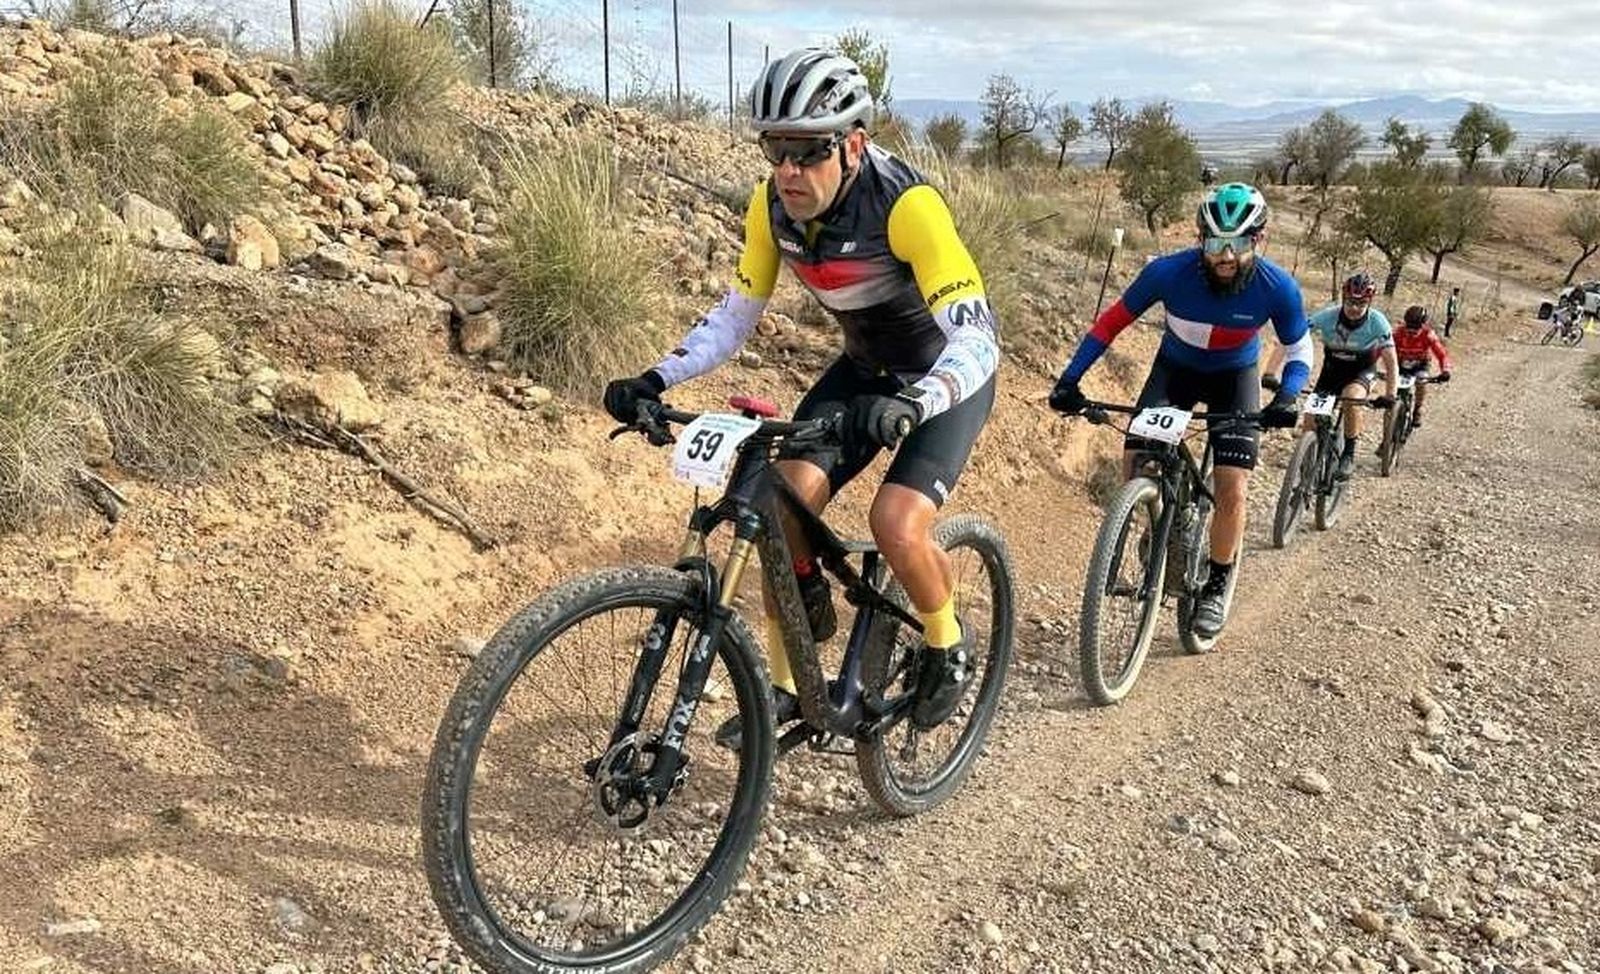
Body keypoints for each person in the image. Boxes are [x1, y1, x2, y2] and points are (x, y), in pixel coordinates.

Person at [602, 48, 1000, 743]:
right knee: (777, 502)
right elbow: (734, 316)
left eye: (807, 150)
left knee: (896, 524)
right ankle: (788, 686)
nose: (787, 169)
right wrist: (655, 378)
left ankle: (947, 640)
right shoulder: (771, 206)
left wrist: (920, 400)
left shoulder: (907, 208)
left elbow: (978, 338)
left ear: (853, 144)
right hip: (866, 371)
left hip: (944, 379)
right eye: (774, 148)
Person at [1049, 182, 1312, 639]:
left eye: (1237, 243)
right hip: (1176, 371)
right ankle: (1154, 518)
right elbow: (1110, 324)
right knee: (1136, 459)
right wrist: (1069, 380)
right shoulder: (1167, 273)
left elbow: (1299, 347)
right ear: (1199, 239)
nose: (1224, 255)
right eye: (1214, 243)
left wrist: (1287, 395)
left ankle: (1216, 583)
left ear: (1259, 239)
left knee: (1232, 488)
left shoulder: (1279, 288)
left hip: (1235, 378)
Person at [1266, 272, 1398, 480]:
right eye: (1350, 302)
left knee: (1351, 397)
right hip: (1332, 372)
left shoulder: (1378, 322)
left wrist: (1391, 394)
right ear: (1344, 298)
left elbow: (1391, 361)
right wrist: (1270, 372)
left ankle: (1348, 455)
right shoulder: (1328, 316)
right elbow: (1291, 338)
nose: (1354, 308)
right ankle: (1309, 464)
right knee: (1310, 417)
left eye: (1361, 304)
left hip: (1362, 371)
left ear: (1369, 302)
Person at [1392, 305, 1452, 427]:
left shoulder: (1428, 335)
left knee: (1421, 382)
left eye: (1416, 328)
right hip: (1400, 363)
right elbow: (1382, 349)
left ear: (1423, 325)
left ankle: (1417, 409)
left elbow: (1442, 354)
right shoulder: (1398, 333)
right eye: (1409, 327)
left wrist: (1445, 370)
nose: (1412, 331)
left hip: (1420, 365)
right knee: (1392, 391)